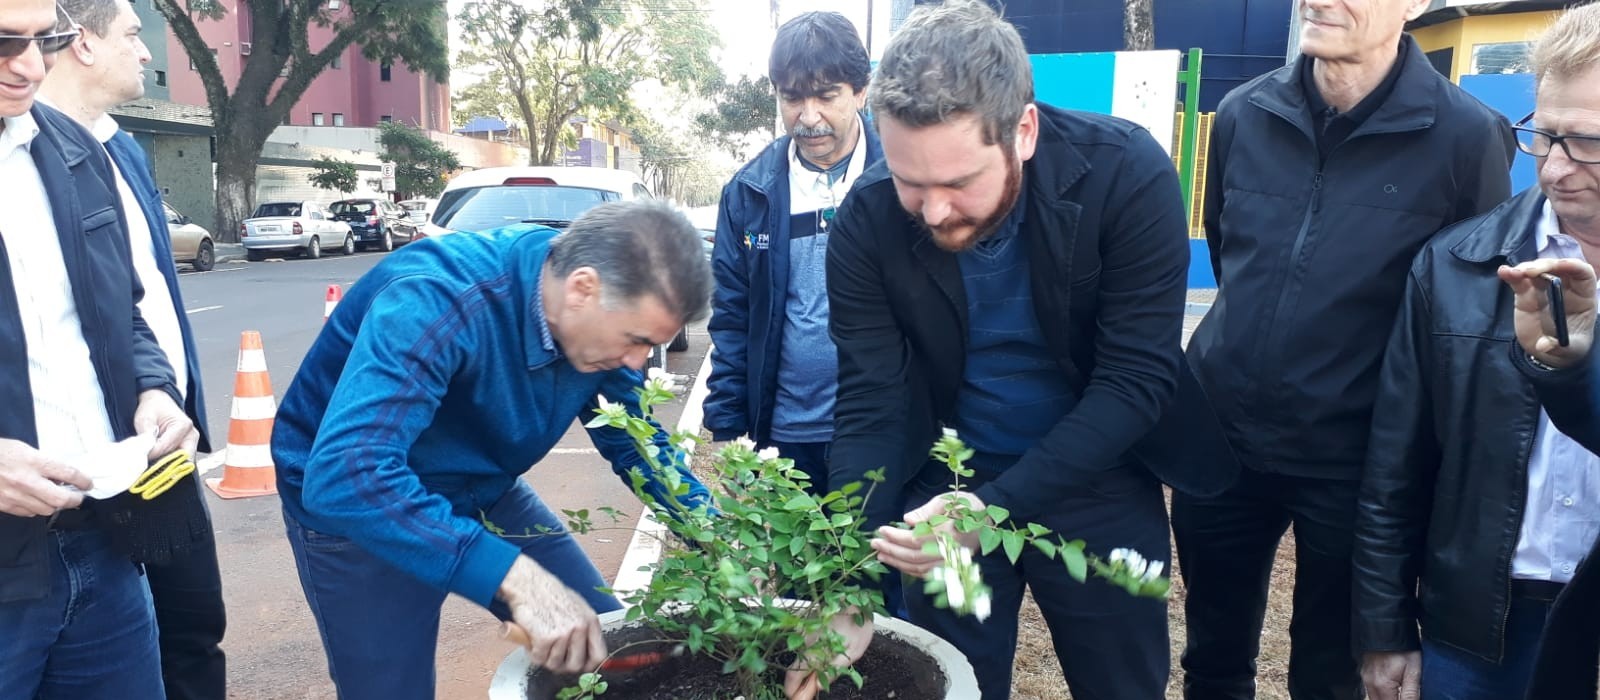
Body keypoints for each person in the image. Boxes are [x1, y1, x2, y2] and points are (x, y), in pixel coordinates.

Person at [820, 2, 1229, 697]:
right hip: (944, 476)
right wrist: (845, 580)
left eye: (957, 182)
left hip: (1098, 469)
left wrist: (994, 512)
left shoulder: (1125, 175)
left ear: (1025, 130)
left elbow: (1135, 380)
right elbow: (872, 399)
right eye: (910, 181)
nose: (933, 211)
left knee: (1121, 683)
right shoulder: (867, 216)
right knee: (950, 682)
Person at [1175, 0, 1516, 696]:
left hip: (1355, 459)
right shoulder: (1243, 112)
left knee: (1330, 672)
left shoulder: (1466, 137)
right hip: (1222, 441)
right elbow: (1229, 248)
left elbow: (1467, 314)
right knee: (1211, 657)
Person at [270, 199, 715, 700]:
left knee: (602, 641)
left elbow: (637, 444)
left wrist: (718, 536)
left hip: (482, 485)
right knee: (391, 689)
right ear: (583, 288)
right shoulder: (438, 299)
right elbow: (346, 476)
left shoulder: (598, 321)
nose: (637, 363)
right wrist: (514, 577)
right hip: (364, 505)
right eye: (635, 341)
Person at [1351, 6, 1600, 699]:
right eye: (1544, 135)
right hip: (1480, 625)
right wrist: (1385, 628)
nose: (1554, 167)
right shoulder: (1456, 265)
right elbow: (1395, 464)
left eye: (1585, 143)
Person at [0, 0, 197, 696]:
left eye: (42, 39)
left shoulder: (72, 148)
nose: (29, 64)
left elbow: (125, 316)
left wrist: (153, 389)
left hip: (102, 539)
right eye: (3, 43)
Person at [705, 10, 879, 499]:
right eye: (792, 97)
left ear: (860, 91)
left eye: (826, 96)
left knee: (877, 572)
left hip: (880, 433)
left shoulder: (900, 180)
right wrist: (726, 429)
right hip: (784, 437)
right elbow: (733, 317)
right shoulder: (748, 194)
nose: (808, 116)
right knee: (796, 574)